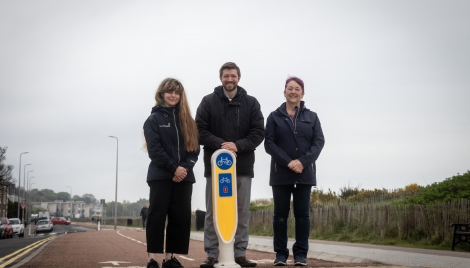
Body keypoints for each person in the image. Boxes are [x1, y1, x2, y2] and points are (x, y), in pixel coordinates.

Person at [195, 62, 265, 268]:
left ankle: (240, 253)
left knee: (242, 211)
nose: (229, 79)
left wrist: (237, 145)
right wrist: (221, 146)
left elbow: (258, 132)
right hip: (215, 168)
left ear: (239, 78)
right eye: (226, 76)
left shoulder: (252, 103)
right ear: (221, 78)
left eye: (233, 76)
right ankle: (212, 253)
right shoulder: (208, 101)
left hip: (243, 166)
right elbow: (199, 130)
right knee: (213, 211)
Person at [264, 77, 325, 266]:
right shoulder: (274, 116)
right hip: (281, 173)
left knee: (302, 215)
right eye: (289, 88)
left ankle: (300, 254)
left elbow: (319, 142)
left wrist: (302, 162)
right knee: (280, 215)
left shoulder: (312, 117)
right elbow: (269, 143)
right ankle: (280, 254)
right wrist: (289, 162)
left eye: (297, 89)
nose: (293, 91)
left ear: (302, 93)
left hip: (304, 173)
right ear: (284, 92)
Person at [143, 78, 200, 268]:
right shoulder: (153, 120)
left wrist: (184, 168)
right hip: (160, 176)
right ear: (162, 94)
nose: (173, 95)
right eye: (169, 92)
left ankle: (170, 258)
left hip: (184, 178)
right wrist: (173, 168)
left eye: (177, 92)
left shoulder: (189, 121)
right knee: (157, 216)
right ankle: (152, 259)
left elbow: (194, 151)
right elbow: (155, 150)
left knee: (180, 218)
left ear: (181, 95)